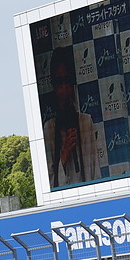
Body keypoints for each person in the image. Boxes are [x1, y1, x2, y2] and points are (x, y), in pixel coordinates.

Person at [43, 46, 100, 187]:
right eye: (59, 83)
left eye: (67, 82)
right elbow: (48, 182)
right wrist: (64, 153)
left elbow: (95, 172)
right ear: (54, 87)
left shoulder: (85, 123)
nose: (64, 90)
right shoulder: (49, 129)